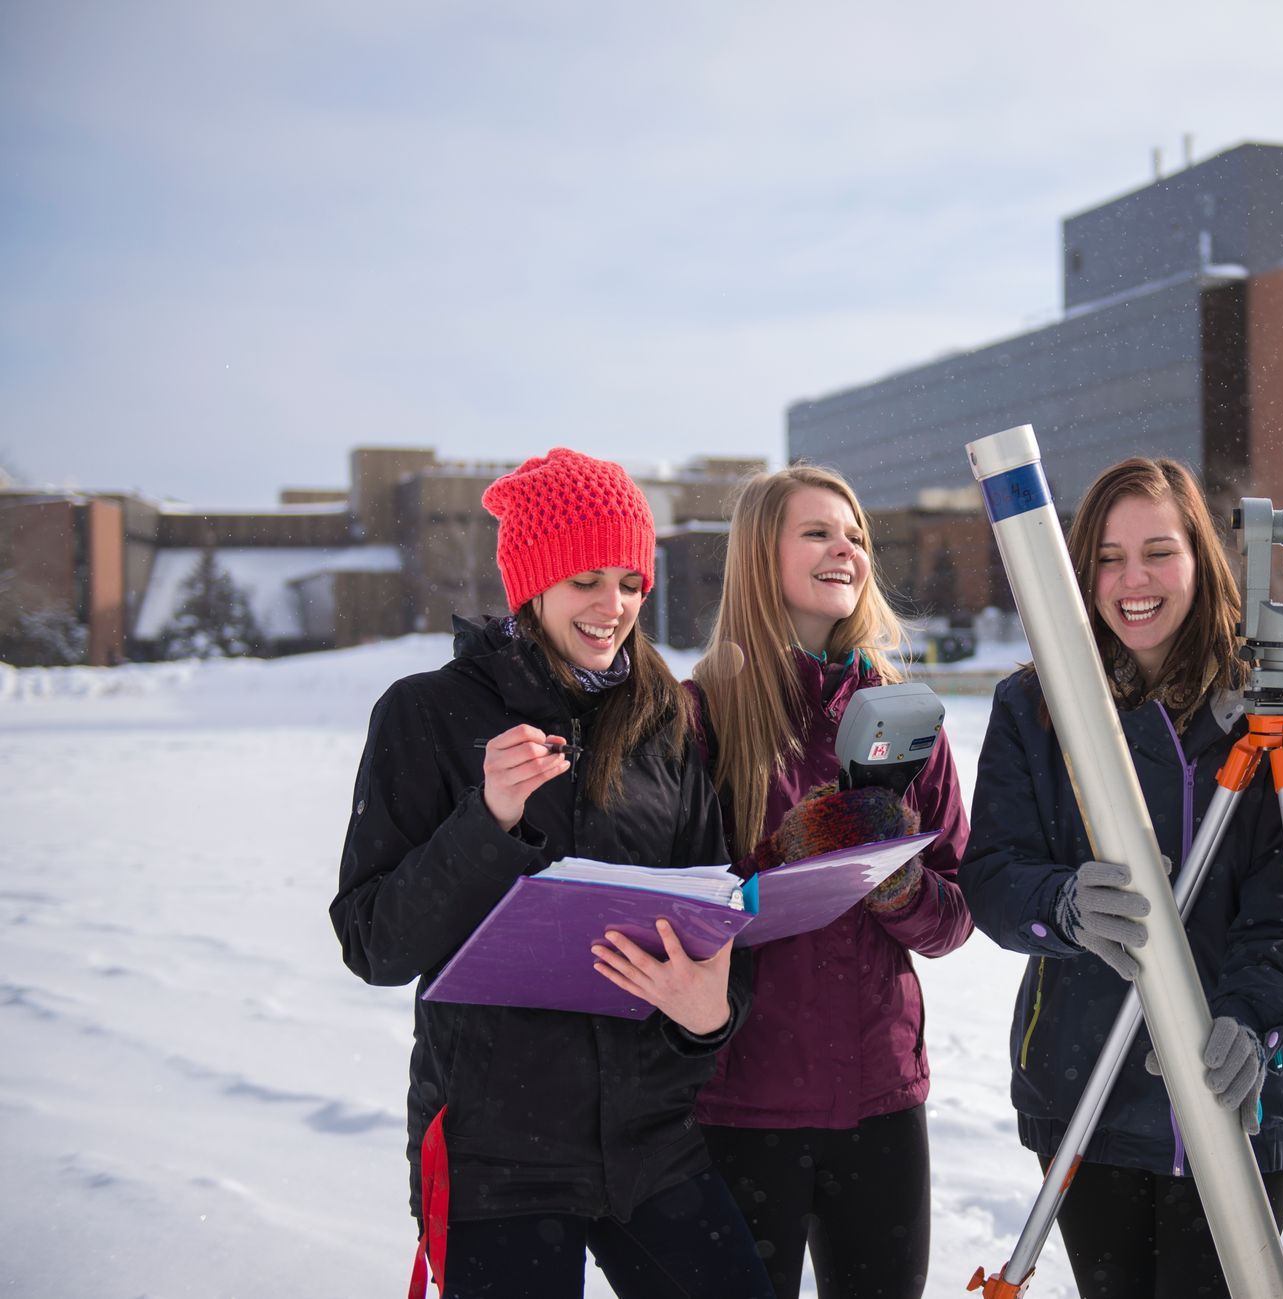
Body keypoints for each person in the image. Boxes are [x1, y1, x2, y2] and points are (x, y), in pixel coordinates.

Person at [331, 448, 774, 1299]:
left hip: (651, 1140)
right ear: (531, 582)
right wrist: (486, 820)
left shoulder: (666, 721)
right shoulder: (425, 714)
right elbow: (374, 942)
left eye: (632, 583)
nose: (614, 608)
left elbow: (716, 910)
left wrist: (710, 1012)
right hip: (496, 1157)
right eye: (585, 581)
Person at [959, 457, 1283, 1299]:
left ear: (1200, 556)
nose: (1133, 581)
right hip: (1091, 1086)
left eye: (1159, 552)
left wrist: (1254, 1017)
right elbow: (993, 873)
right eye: (1109, 558)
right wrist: (1061, 904)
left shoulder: (1262, 697)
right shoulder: (1035, 705)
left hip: (1242, 1088)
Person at [603, 464, 972, 1299]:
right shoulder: (698, 716)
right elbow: (667, 911)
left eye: (856, 535)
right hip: (739, 1106)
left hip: (880, 1099)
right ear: (757, 556)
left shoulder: (906, 718)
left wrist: (893, 882)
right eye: (817, 531)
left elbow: (954, 918)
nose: (846, 546)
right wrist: (785, 863)